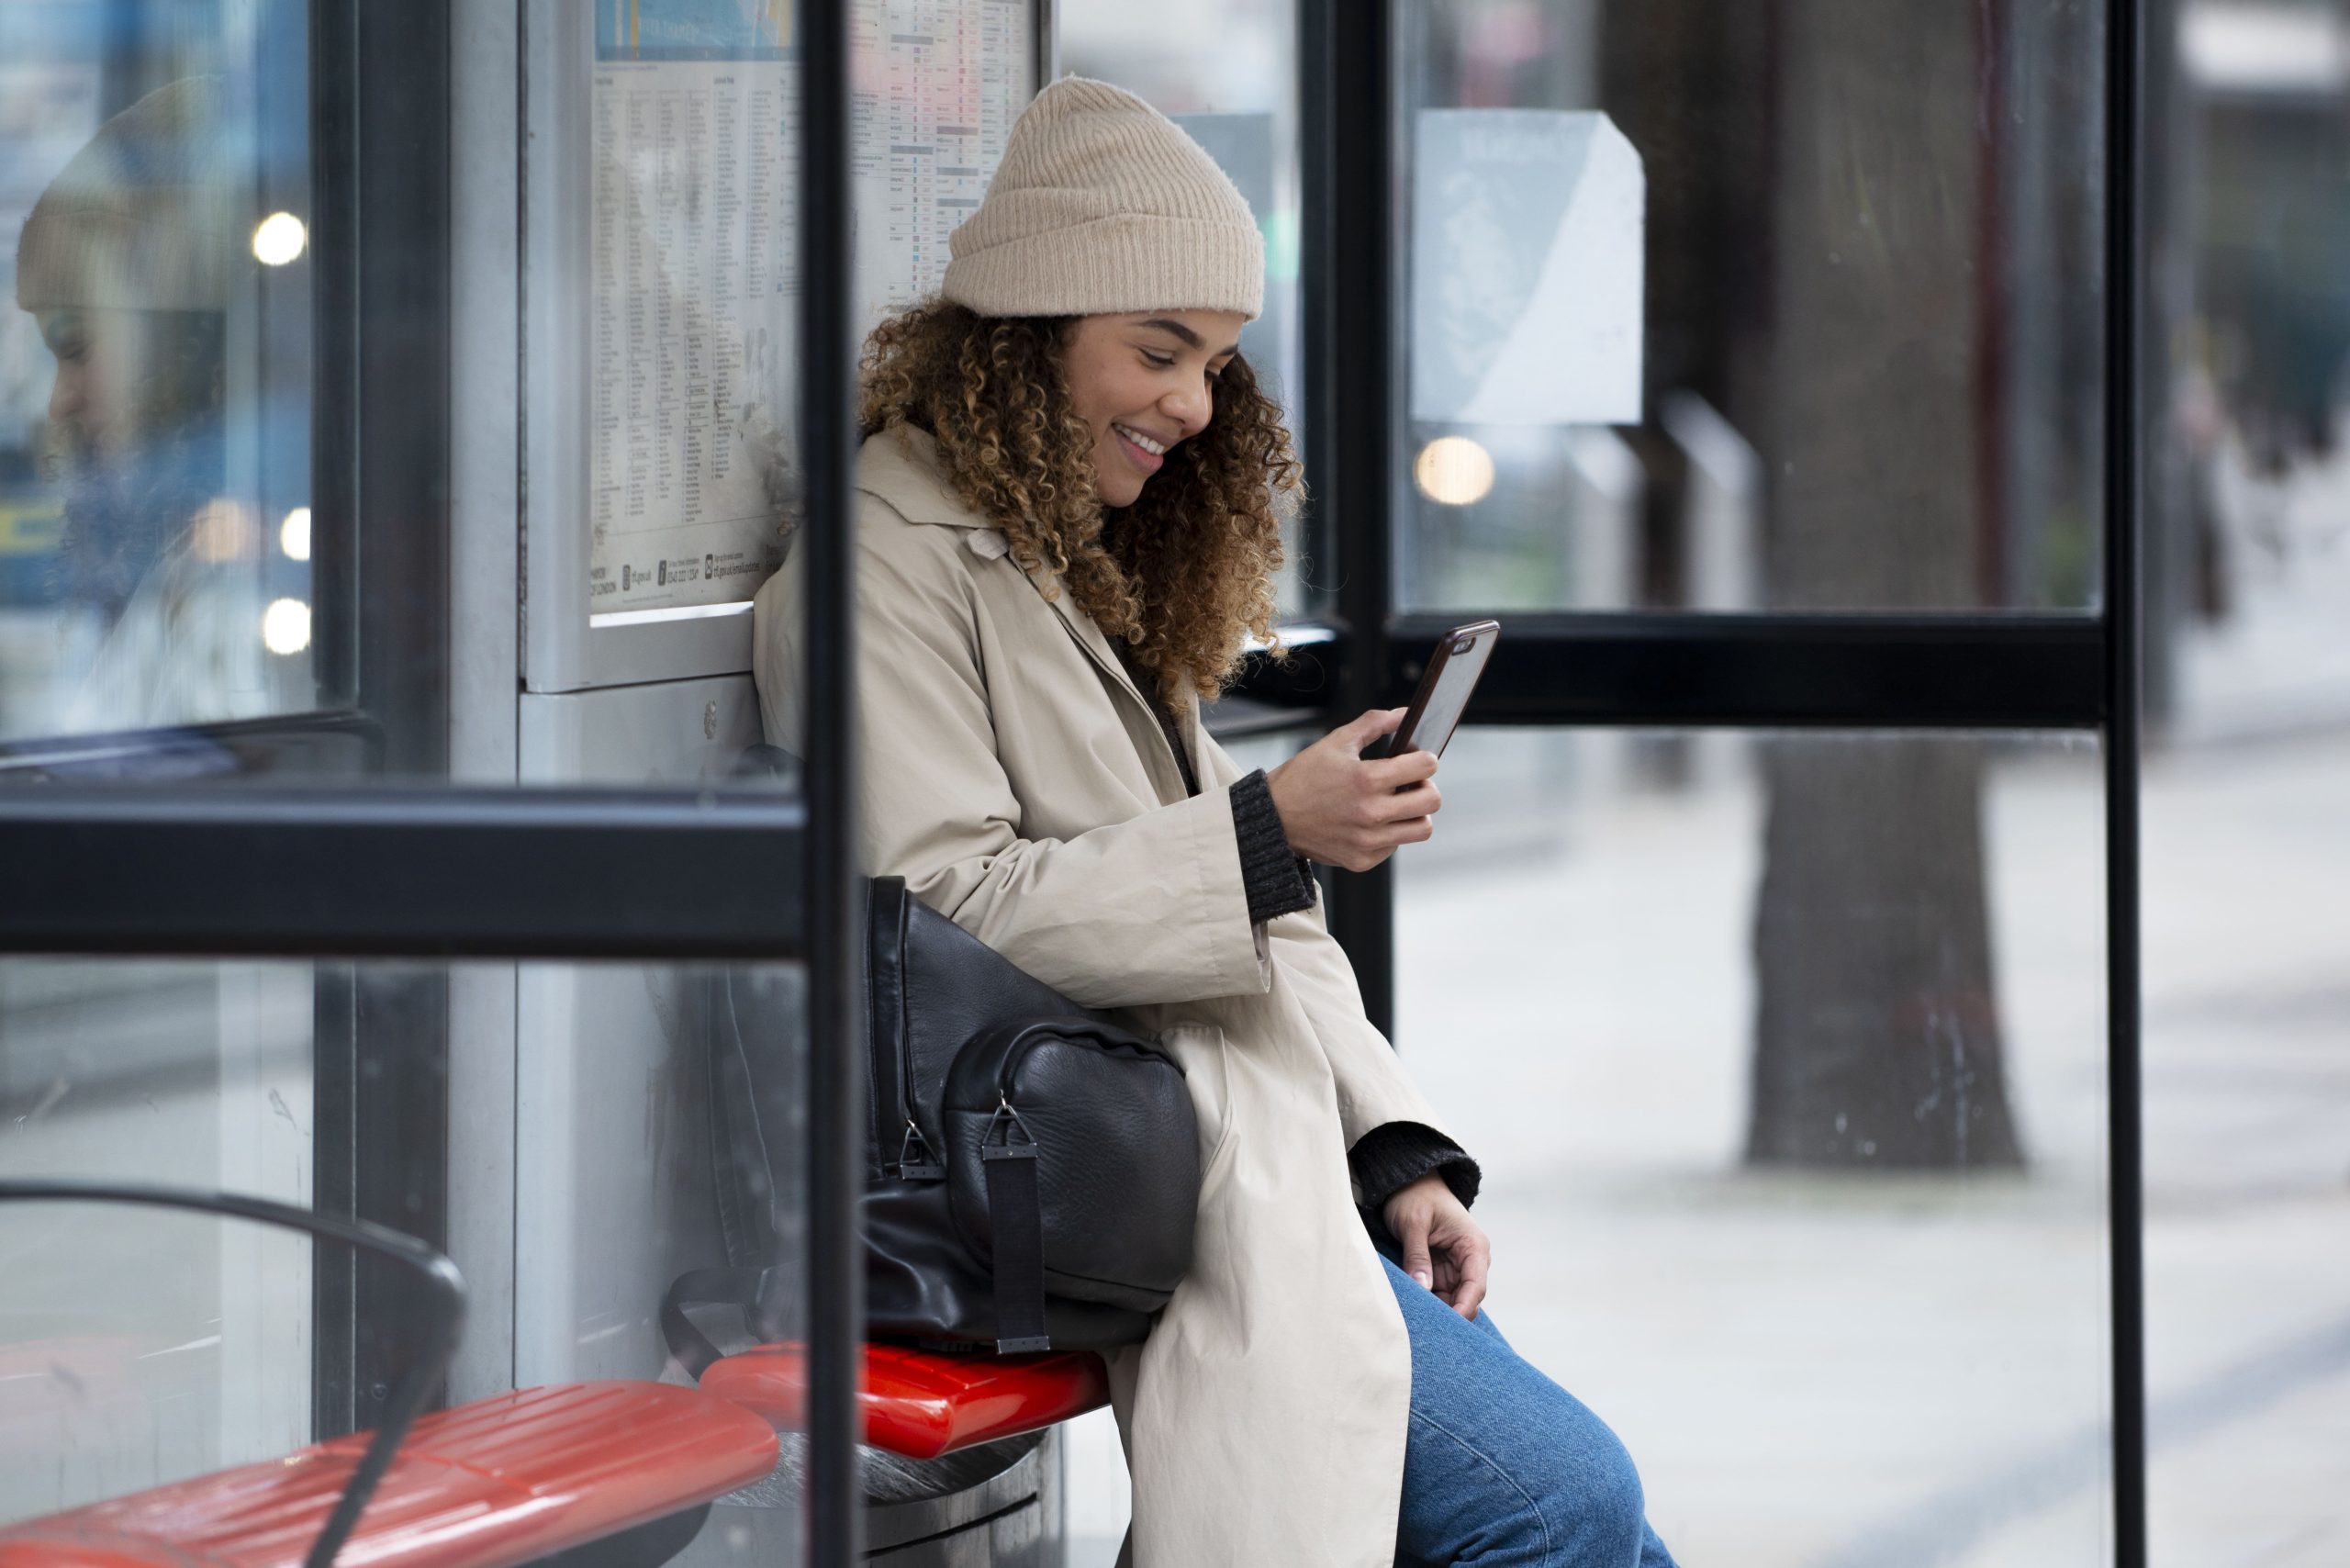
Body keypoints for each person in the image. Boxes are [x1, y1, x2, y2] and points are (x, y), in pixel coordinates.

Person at [755, 77, 1677, 1567]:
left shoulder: (1066, 561)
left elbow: (1265, 922)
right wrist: (1265, 835)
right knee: (1561, 1507)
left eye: (1217, 362)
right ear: (1026, 335)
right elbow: (935, 918)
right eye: (1158, 350)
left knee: (1601, 1532)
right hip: (1091, 1170)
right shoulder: (886, 569)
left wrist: (1391, 1151)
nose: (1193, 405)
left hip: (1232, 1159)